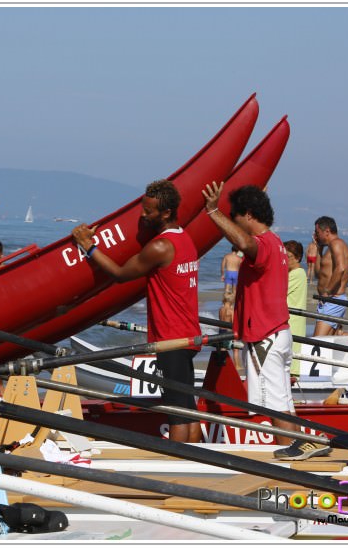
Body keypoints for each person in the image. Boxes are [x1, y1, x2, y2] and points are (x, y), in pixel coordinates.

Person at [202, 181, 327, 460]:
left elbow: (244, 241)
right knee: (282, 402)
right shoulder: (276, 244)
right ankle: (302, 445)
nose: (233, 224)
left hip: (265, 337)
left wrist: (213, 212)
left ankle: (296, 452)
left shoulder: (262, 244)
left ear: (247, 215)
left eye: (235, 217)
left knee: (274, 404)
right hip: (277, 334)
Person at [71, 179, 201, 443]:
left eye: (148, 211)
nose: (143, 215)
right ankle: (199, 461)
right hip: (189, 336)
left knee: (175, 412)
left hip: (170, 340)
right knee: (188, 408)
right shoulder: (185, 238)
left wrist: (88, 246)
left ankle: (181, 469)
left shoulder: (160, 246)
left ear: (165, 213)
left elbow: (119, 274)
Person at [312, 216, 348, 361]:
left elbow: (341, 268)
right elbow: (319, 274)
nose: (315, 235)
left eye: (317, 232)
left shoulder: (336, 243)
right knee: (330, 342)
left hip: (333, 299)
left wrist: (326, 292)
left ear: (327, 231)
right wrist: (318, 248)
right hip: (329, 301)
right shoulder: (329, 247)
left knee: (316, 344)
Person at [284, 240, 307, 377]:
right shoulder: (293, 273)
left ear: (297, 257)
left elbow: (278, 291)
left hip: (293, 322)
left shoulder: (297, 273)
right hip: (291, 321)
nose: (284, 260)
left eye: (288, 257)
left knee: (291, 361)